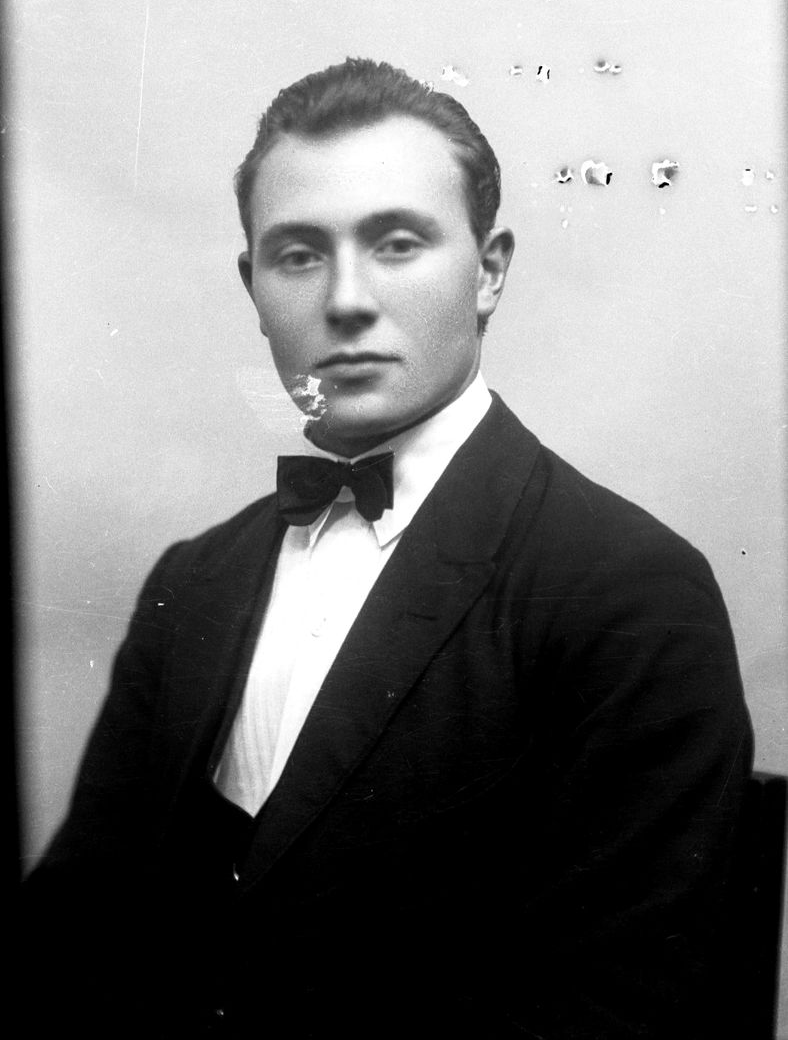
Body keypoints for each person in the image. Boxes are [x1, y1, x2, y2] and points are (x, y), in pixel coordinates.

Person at [22, 58, 752, 1039]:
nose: (346, 299)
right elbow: (73, 929)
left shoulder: (629, 591)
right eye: (297, 254)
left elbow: (617, 1011)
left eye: (397, 243)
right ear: (252, 287)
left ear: (488, 270)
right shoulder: (194, 577)